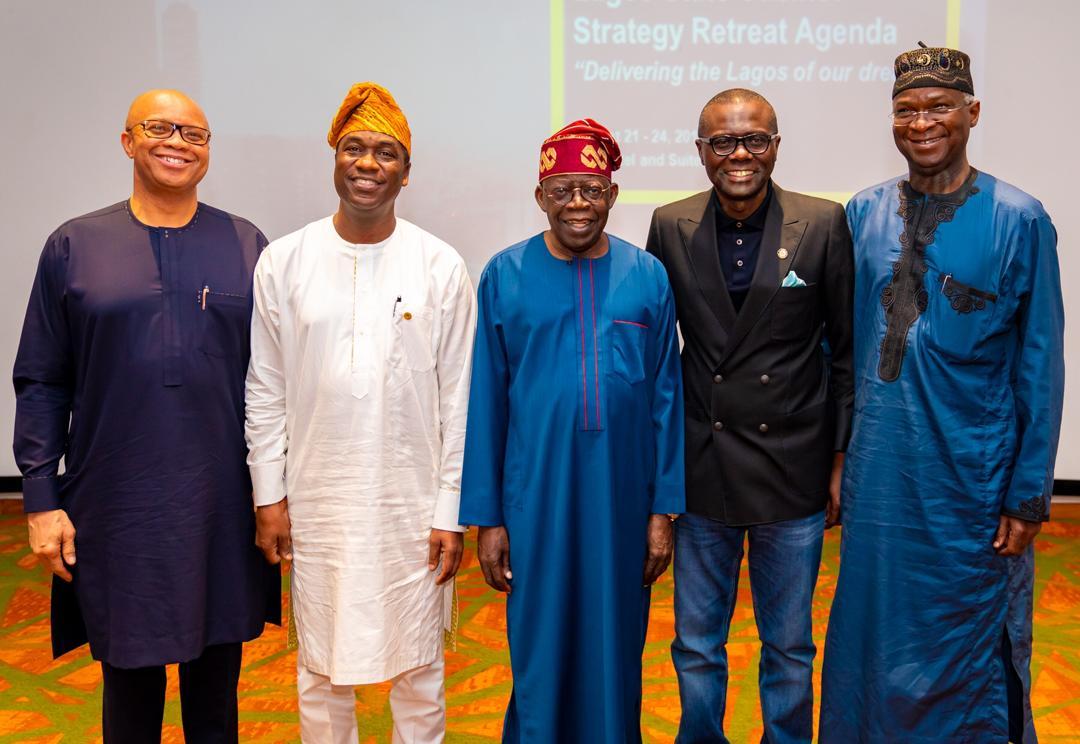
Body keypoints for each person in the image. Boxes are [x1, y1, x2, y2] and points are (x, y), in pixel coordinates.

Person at [13, 89, 280, 743]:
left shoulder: (247, 244)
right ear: (128, 141)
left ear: (208, 153)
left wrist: (275, 494)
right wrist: (42, 500)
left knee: (217, 684)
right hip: (117, 504)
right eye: (160, 128)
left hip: (222, 503)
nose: (178, 143)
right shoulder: (74, 245)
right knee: (128, 685)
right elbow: (42, 380)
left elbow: (274, 383)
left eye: (195, 133)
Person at [820, 44, 1064, 743]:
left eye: (939, 107)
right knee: (871, 634)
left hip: (972, 483)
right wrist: (839, 459)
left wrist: (1027, 495)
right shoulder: (862, 213)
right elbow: (843, 350)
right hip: (879, 477)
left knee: (970, 646)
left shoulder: (1020, 219)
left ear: (973, 113)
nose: (921, 122)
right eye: (906, 109)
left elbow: (1041, 365)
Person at [244, 82, 475, 743]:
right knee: (321, 667)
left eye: (385, 152)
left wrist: (448, 510)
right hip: (319, 498)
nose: (368, 164)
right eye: (354, 148)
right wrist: (269, 496)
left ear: (407, 170)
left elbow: (458, 398)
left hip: (412, 505)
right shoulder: (284, 261)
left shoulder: (440, 266)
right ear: (334, 158)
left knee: (421, 667)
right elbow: (265, 388)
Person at [459, 119, 685, 743]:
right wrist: (489, 519)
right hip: (535, 499)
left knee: (616, 642)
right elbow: (486, 402)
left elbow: (667, 396)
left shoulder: (648, 277)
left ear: (612, 194)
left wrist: (663, 511)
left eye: (591, 189)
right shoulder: (504, 275)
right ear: (540, 195)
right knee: (540, 639)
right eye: (562, 190)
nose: (577, 204)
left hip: (622, 500)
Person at [645, 88, 854, 743]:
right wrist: (660, 477)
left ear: (776, 145)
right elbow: (658, 358)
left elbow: (845, 354)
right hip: (704, 470)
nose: (740, 154)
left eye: (754, 140)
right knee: (697, 642)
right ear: (702, 151)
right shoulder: (669, 224)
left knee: (789, 645)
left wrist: (840, 460)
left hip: (792, 469)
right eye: (723, 142)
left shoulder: (822, 223)